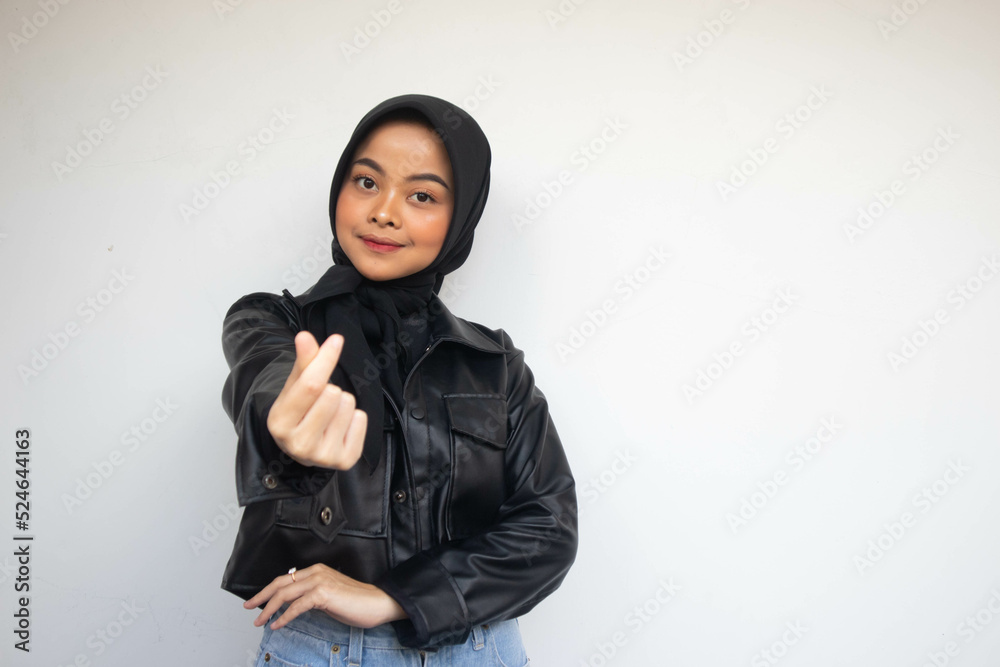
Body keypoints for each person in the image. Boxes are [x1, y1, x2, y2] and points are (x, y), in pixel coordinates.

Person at [219, 94, 578, 665]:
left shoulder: (494, 362)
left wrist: (395, 598)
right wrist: (285, 424)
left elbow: (548, 528)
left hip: (478, 648)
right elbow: (266, 375)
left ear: (460, 219)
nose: (384, 212)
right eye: (366, 182)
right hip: (324, 648)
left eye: (422, 196)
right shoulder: (274, 322)